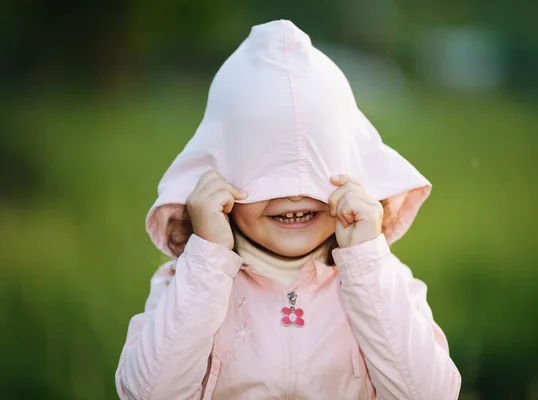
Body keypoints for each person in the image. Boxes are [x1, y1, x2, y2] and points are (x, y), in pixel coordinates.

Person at [115, 19, 461, 400]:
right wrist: (208, 258)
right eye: (265, 174)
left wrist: (365, 263)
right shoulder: (185, 283)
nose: (295, 195)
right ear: (219, 180)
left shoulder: (384, 281)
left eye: (316, 175)